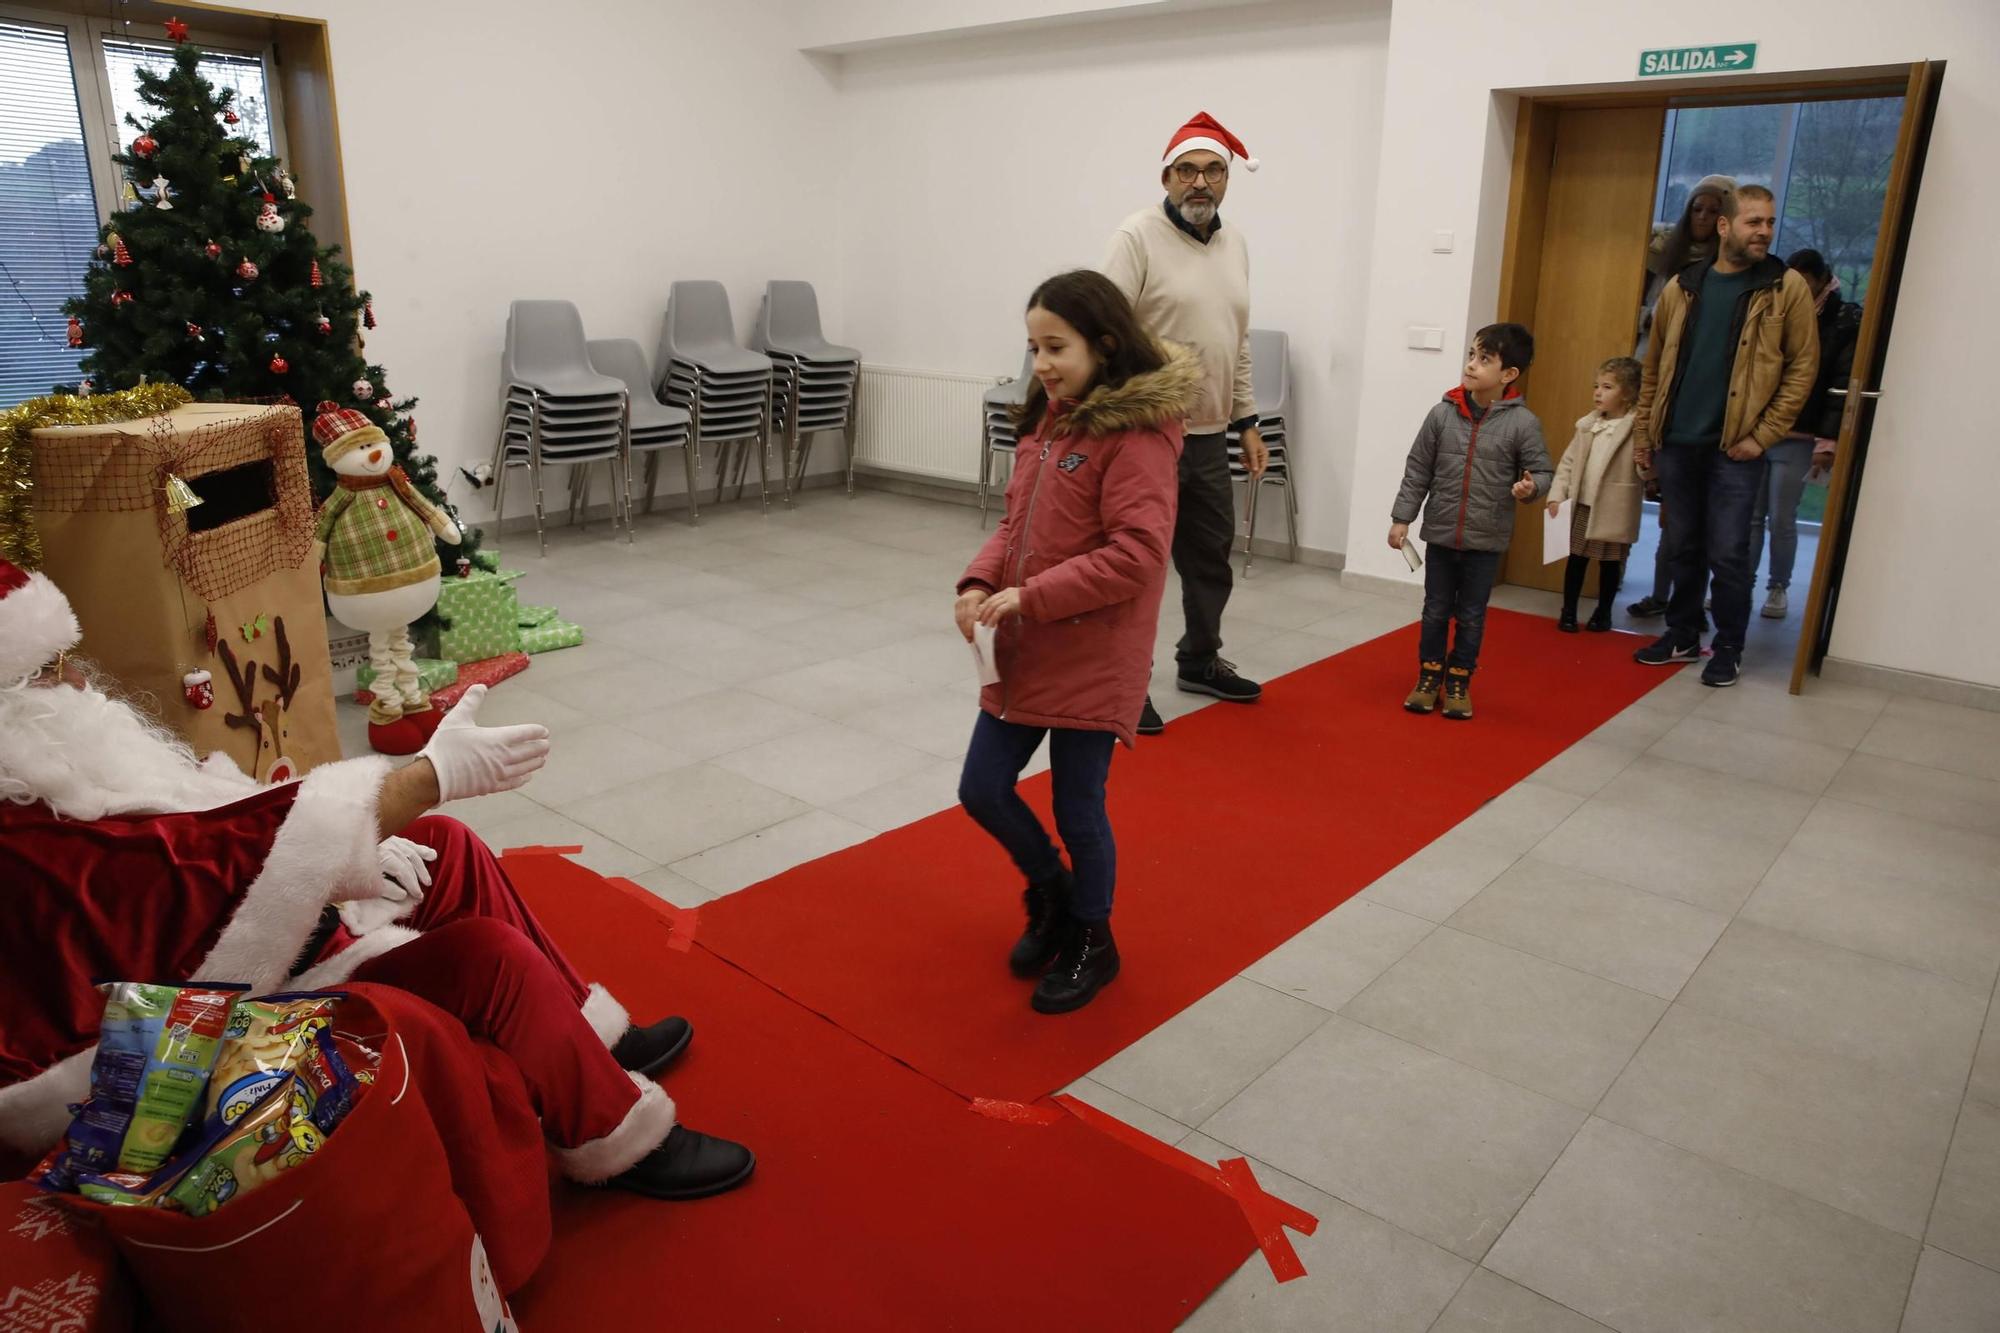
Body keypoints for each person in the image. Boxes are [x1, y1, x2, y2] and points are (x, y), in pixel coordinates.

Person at [0, 559, 752, 1199]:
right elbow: (187, 877)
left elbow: (198, 829)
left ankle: (589, 1040)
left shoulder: (46, 778)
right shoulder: (22, 835)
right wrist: (419, 782)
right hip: (167, 1052)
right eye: (46, 669)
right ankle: (616, 1137)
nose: (78, 678)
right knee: (489, 959)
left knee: (444, 846)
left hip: (222, 959)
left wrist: (363, 839)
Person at [954, 270, 1194, 1014]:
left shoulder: (1137, 435)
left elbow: (1138, 554)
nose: (1042, 364)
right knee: (982, 788)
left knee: (1078, 807)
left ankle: (1094, 937)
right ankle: (1053, 892)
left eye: (1056, 346)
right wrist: (978, 581)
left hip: (1093, 652)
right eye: (1033, 347)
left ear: (1106, 343)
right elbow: (1012, 524)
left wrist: (1033, 595)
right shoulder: (1047, 420)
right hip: (1027, 644)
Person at [1102, 111, 1266, 734]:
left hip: (1209, 434)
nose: (1200, 182)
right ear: (1167, 177)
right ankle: (1123, 682)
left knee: (1209, 559)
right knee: (1137, 566)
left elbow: (1237, 341)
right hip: (1144, 434)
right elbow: (1103, 330)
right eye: (1187, 171)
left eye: (1213, 170)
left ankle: (1199, 660)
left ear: (1227, 179)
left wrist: (1247, 420)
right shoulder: (1136, 235)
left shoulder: (1235, 244)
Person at [1631, 185, 1819, 686]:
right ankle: (1683, 633)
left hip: (1737, 447)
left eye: (1770, 222)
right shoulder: (1682, 286)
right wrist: (1646, 435)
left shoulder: (1786, 286)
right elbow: (1654, 369)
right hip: (1679, 442)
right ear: (1724, 227)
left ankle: (1729, 646)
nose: (1764, 231)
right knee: (1681, 545)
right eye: (1753, 221)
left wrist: (1764, 435)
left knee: (1730, 553)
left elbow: (1803, 368)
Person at [1390, 323, 1553, 721]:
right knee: (1434, 610)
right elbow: (1417, 470)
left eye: (1485, 359)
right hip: (1442, 534)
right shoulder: (1441, 415)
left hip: (1486, 539)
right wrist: (1401, 518)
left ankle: (1459, 679)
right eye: (1471, 356)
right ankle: (1429, 677)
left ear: (1508, 374)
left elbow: (1543, 474)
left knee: (1472, 615)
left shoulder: (1523, 424)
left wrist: (1530, 489)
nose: (1472, 365)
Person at [1631, 173, 1736, 618]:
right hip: (1647, 373)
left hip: (1698, 394)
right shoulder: (1664, 256)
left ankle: (1690, 606)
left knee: (1697, 517)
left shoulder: (1731, 270)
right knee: (1663, 501)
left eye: (1714, 211)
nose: (1703, 218)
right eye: (1696, 208)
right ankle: (1657, 594)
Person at [1750, 248, 1863, 618]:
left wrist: (1827, 441)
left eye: (1803, 280)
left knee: (1781, 517)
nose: (1795, 286)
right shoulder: (1773, 307)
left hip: (1801, 433)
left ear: (1818, 279)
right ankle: (1739, 581)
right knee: (1749, 515)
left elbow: (1842, 383)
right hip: (1759, 428)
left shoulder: (1842, 320)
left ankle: (1777, 587)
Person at [1547, 357, 1644, 632]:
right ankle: (1568, 611)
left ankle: (1603, 612)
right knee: (1576, 559)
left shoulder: (1636, 428)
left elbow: (1645, 471)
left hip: (1614, 508)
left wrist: (1646, 462)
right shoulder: (1587, 426)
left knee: (1610, 563)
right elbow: (1567, 463)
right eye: (1596, 386)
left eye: (1607, 387)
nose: (1598, 393)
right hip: (1583, 505)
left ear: (1627, 394)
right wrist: (1557, 495)